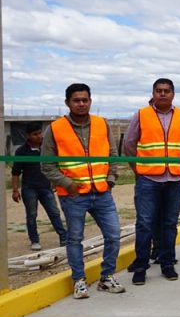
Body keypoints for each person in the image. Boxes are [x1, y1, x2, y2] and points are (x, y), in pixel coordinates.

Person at [41, 83, 125, 299]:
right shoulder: (55, 128)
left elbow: (112, 154)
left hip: (102, 192)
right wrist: (67, 184)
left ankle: (106, 277)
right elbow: (47, 165)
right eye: (76, 100)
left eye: (85, 100)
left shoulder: (101, 124)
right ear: (67, 102)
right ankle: (79, 280)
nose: (81, 104)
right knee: (75, 238)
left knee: (114, 235)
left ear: (90, 101)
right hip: (73, 195)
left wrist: (111, 178)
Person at [124, 78, 180, 285]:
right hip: (148, 178)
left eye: (167, 91)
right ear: (153, 93)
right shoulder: (141, 114)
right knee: (145, 223)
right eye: (159, 91)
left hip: (175, 178)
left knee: (170, 223)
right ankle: (141, 266)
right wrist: (137, 169)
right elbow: (129, 143)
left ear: (173, 94)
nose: (163, 94)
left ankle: (167, 262)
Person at [13, 122, 67, 251]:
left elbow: (56, 166)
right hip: (29, 188)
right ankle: (34, 240)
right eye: (35, 134)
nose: (39, 136)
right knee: (32, 215)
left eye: (40, 133)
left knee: (54, 213)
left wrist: (56, 182)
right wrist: (15, 190)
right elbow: (15, 172)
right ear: (28, 136)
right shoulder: (21, 151)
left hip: (46, 187)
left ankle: (64, 237)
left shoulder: (47, 149)